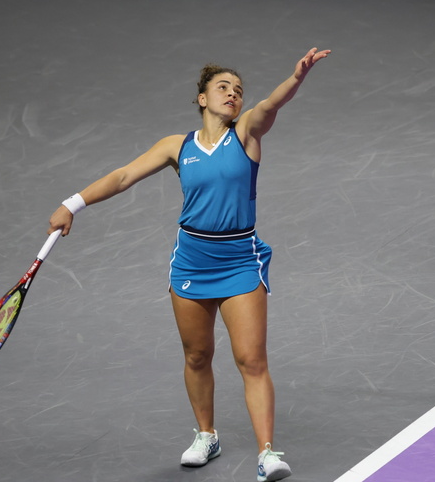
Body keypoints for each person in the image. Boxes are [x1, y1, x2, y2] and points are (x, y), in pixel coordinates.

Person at [47, 47, 330, 482]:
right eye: (223, 87)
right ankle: (206, 435)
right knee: (197, 354)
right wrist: (73, 204)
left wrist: (296, 77)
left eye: (237, 90)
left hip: (239, 261)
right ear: (202, 98)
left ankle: (268, 454)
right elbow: (123, 176)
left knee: (251, 359)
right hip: (192, 262)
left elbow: (272, 104)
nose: (232, 94)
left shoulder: (248, 133)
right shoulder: (176, 147)